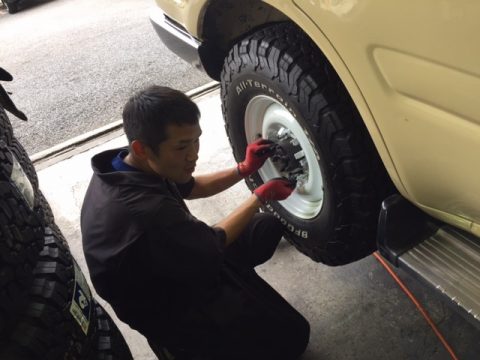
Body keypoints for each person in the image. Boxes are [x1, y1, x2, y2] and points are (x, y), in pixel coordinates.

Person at [81, 85, 310, 360]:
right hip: (170, 305)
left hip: (168, 260)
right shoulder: (147, 211)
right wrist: (260, 195)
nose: (193, 155)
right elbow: (214, 243)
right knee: (294, 338)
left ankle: (237, 299)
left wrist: (244, 169)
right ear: (142, 148)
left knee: (264, 228)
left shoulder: (128, 164)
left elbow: (190, 187)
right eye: (181, 146)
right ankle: (180, 348)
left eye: (195, 140)